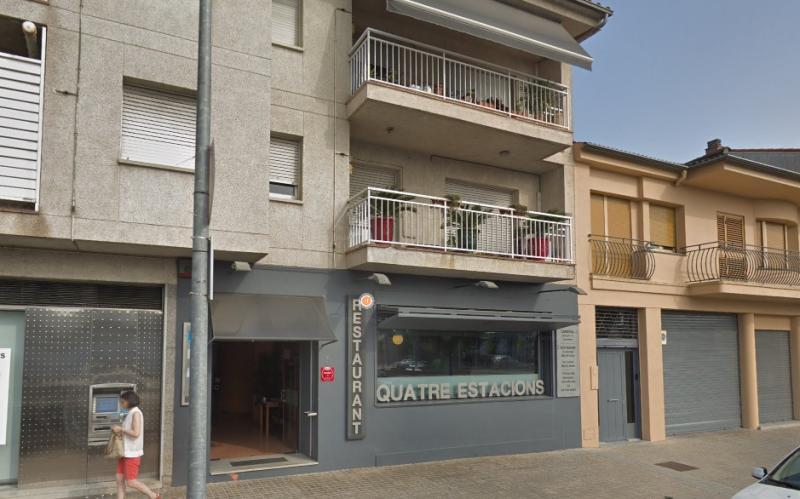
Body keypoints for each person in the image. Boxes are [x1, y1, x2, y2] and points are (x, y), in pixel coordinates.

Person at [112, 391, 160, 499]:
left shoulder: (136, 413)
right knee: (119, 479)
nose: (121, 403)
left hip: (132, 453)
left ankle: (153, 496)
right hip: (125, 452)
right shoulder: (131, 413)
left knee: (131, 482)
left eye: (123, 401)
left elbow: (136, 433)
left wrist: (121, 429)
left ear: (129, 401)